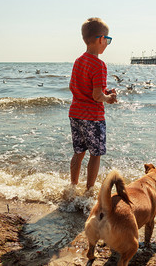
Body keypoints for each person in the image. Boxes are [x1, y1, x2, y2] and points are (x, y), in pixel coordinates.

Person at [68, 17, 117, 191]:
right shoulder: (99, 65)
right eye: (108, 40)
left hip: (75, 114)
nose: (107, 44)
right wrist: (109, 98)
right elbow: (97, 96)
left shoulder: (78, 61)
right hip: (93, 118)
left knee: (79, 153)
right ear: (101, 39)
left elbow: (72, 87)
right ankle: (89, 190)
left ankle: (73, 187)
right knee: (95, 155)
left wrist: (104, 93)